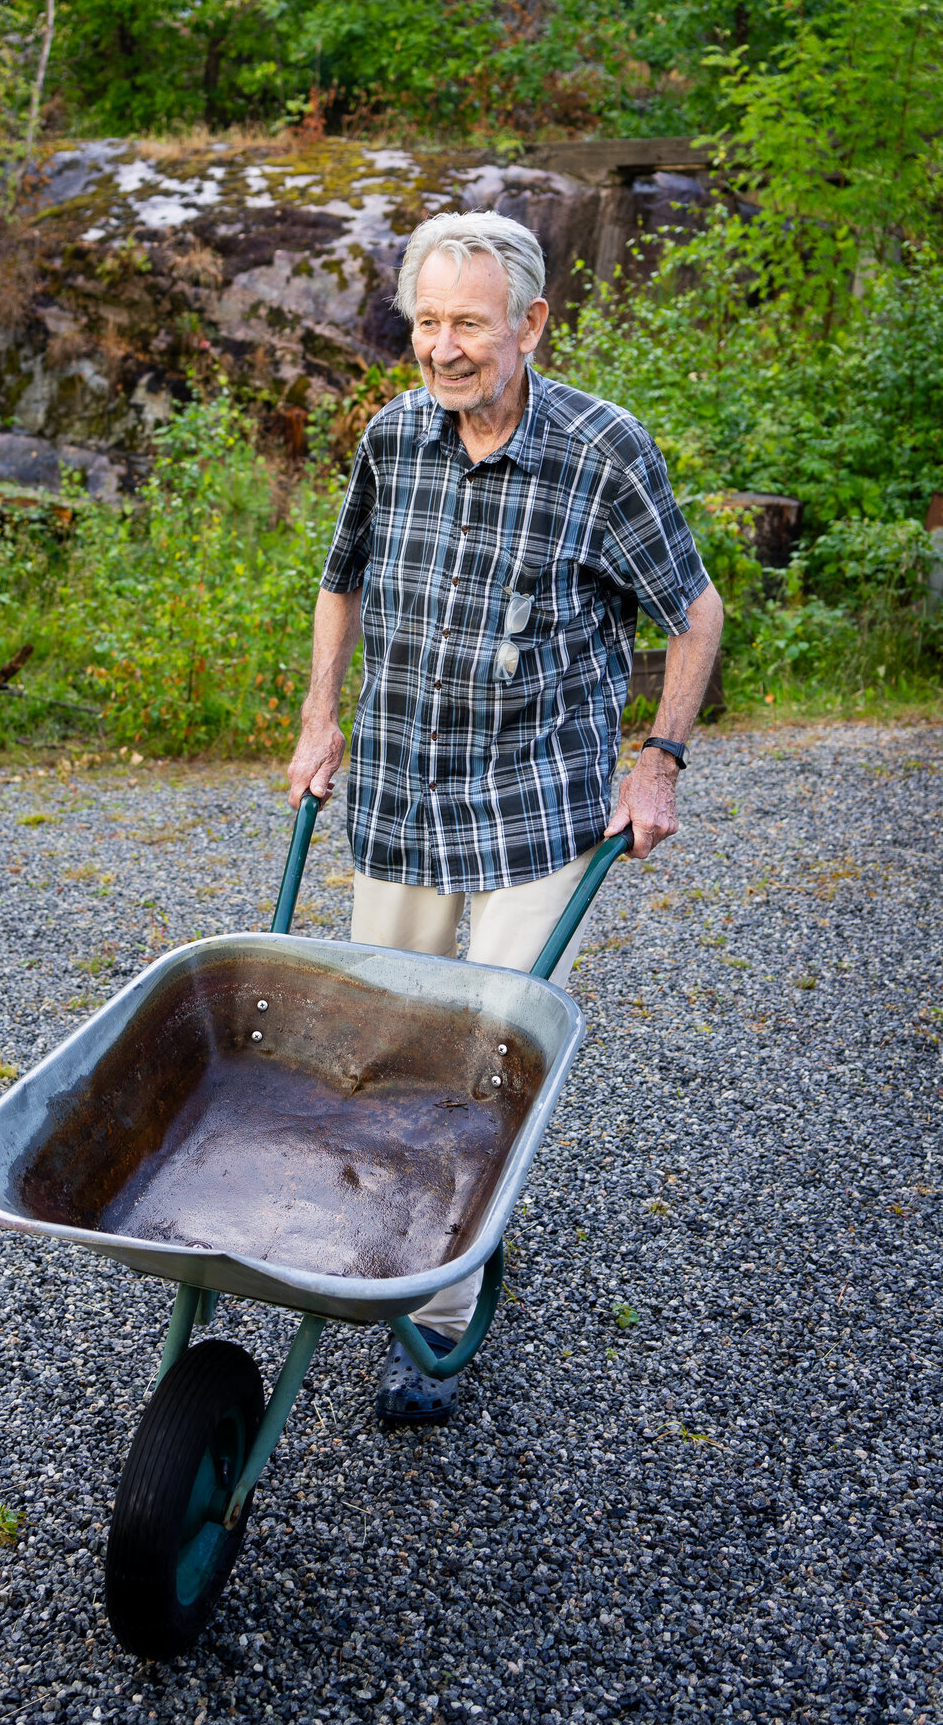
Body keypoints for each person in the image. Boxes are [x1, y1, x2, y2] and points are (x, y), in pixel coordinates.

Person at [285, 210, 724, 1427]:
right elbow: (343, 578)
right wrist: (321, 717)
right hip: (402, 796)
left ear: (531, 322)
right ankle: (410, 1234)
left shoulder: (604, 452)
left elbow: (695, 613)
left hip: (542, 806)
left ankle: (435, 1309)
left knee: (486, 1059)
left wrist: (661, 762)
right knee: (387, 1047)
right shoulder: (392, 437)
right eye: (425, 322)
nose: (441, 347)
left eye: (467, 323)